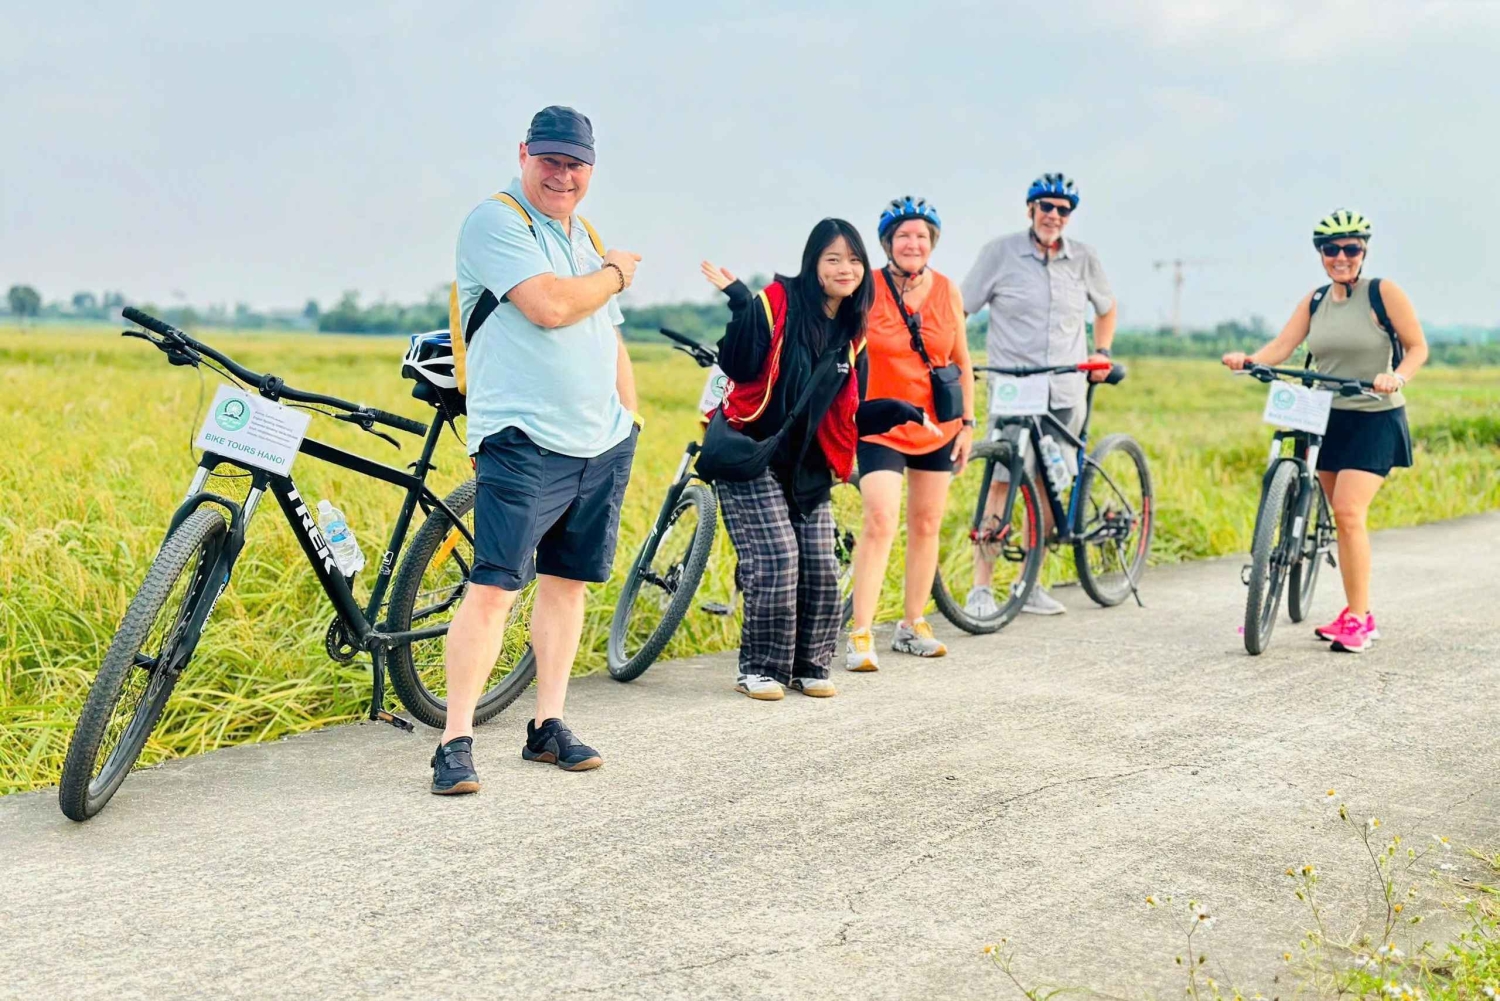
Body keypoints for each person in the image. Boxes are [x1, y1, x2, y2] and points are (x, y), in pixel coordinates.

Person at [431, 105, 644, 794]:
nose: (562, 174)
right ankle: (454, 739)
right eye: (550, 160)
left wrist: (629, 417)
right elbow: (549, 306)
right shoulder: (495, 221)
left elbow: (608, 334)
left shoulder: (585, 234)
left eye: (575, 163)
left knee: (566, 584)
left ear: (591, 167)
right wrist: (616, 273)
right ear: (524, 154)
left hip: (599, 440)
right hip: (522, 437)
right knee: (495, 586)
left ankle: (547, 723)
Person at [700, 219, 924, 701]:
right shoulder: (777, 302)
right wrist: (740, 301)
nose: (846, 269)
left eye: (854, 260)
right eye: (833, 259)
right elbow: (738, 365)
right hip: (751, 451)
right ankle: (760, 669)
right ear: (813, 264)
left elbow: (846, 413)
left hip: (807, 465)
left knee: (822, 566)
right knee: (777, 558)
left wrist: (896, 410)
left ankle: (809, 664)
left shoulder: (851, 334)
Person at [1222, 209, 1428, 654]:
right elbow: (1283, 346)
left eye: (1351, 248)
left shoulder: (1382, 293)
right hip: (1323, 415)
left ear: (1363, 252)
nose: (1341, 257)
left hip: (1374, 415)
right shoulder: (1315, 300)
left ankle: (1361, 619)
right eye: (1331, 249)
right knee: (1334, 510)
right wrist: (1250, 360)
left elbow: (1417, 347)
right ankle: (1316, 603)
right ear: (1320, 253)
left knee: (1349, 513)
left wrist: (1397, 377)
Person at [959, 172, 1117, 617]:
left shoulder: (1084, 258)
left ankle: (1030, 583)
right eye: (1046, 207)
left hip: (1065, 388)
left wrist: (1102, 352)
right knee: (1001, 481)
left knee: (1051, 485)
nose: (1054, 216)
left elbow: (1107, 309)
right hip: (1014, 388)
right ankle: (981, 589)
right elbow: (960, 309)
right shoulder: (999, 253)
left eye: (1063, 210)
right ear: (1030, 209)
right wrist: (955, 357)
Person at [845, 197, 976, 671]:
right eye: (903, 236)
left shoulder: (947, 290)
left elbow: (961, 360)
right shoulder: (867, 287)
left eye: (921, 236)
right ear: (888, 243)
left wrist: (967, 424)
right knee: (880, 520)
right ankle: (860, 632)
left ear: (932, 242)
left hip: (937, 426)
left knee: (926, 524)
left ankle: (912, 623)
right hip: (880, 424)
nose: (913, 243)